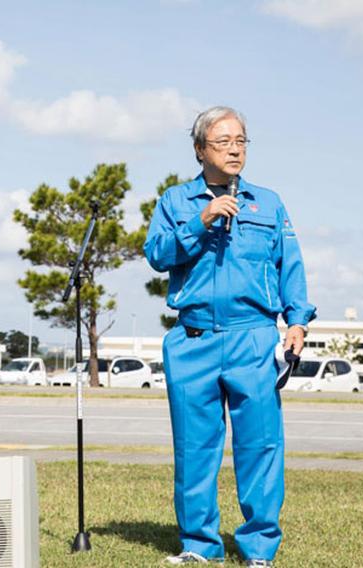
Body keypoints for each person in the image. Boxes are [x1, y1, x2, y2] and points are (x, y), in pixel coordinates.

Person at [144, 106, 316, 566]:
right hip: (193, 341)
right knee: (195, 447)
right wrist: (201, 221)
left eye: (241, 140)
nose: (235, 148)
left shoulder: (270, 203)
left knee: (260, 444)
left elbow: (289, 266)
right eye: (223, 141)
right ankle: (199, 546)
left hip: (254, 338)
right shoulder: (175, 201)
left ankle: (259, 547)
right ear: (200, 149)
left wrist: (297, 321)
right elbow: (157, 255)